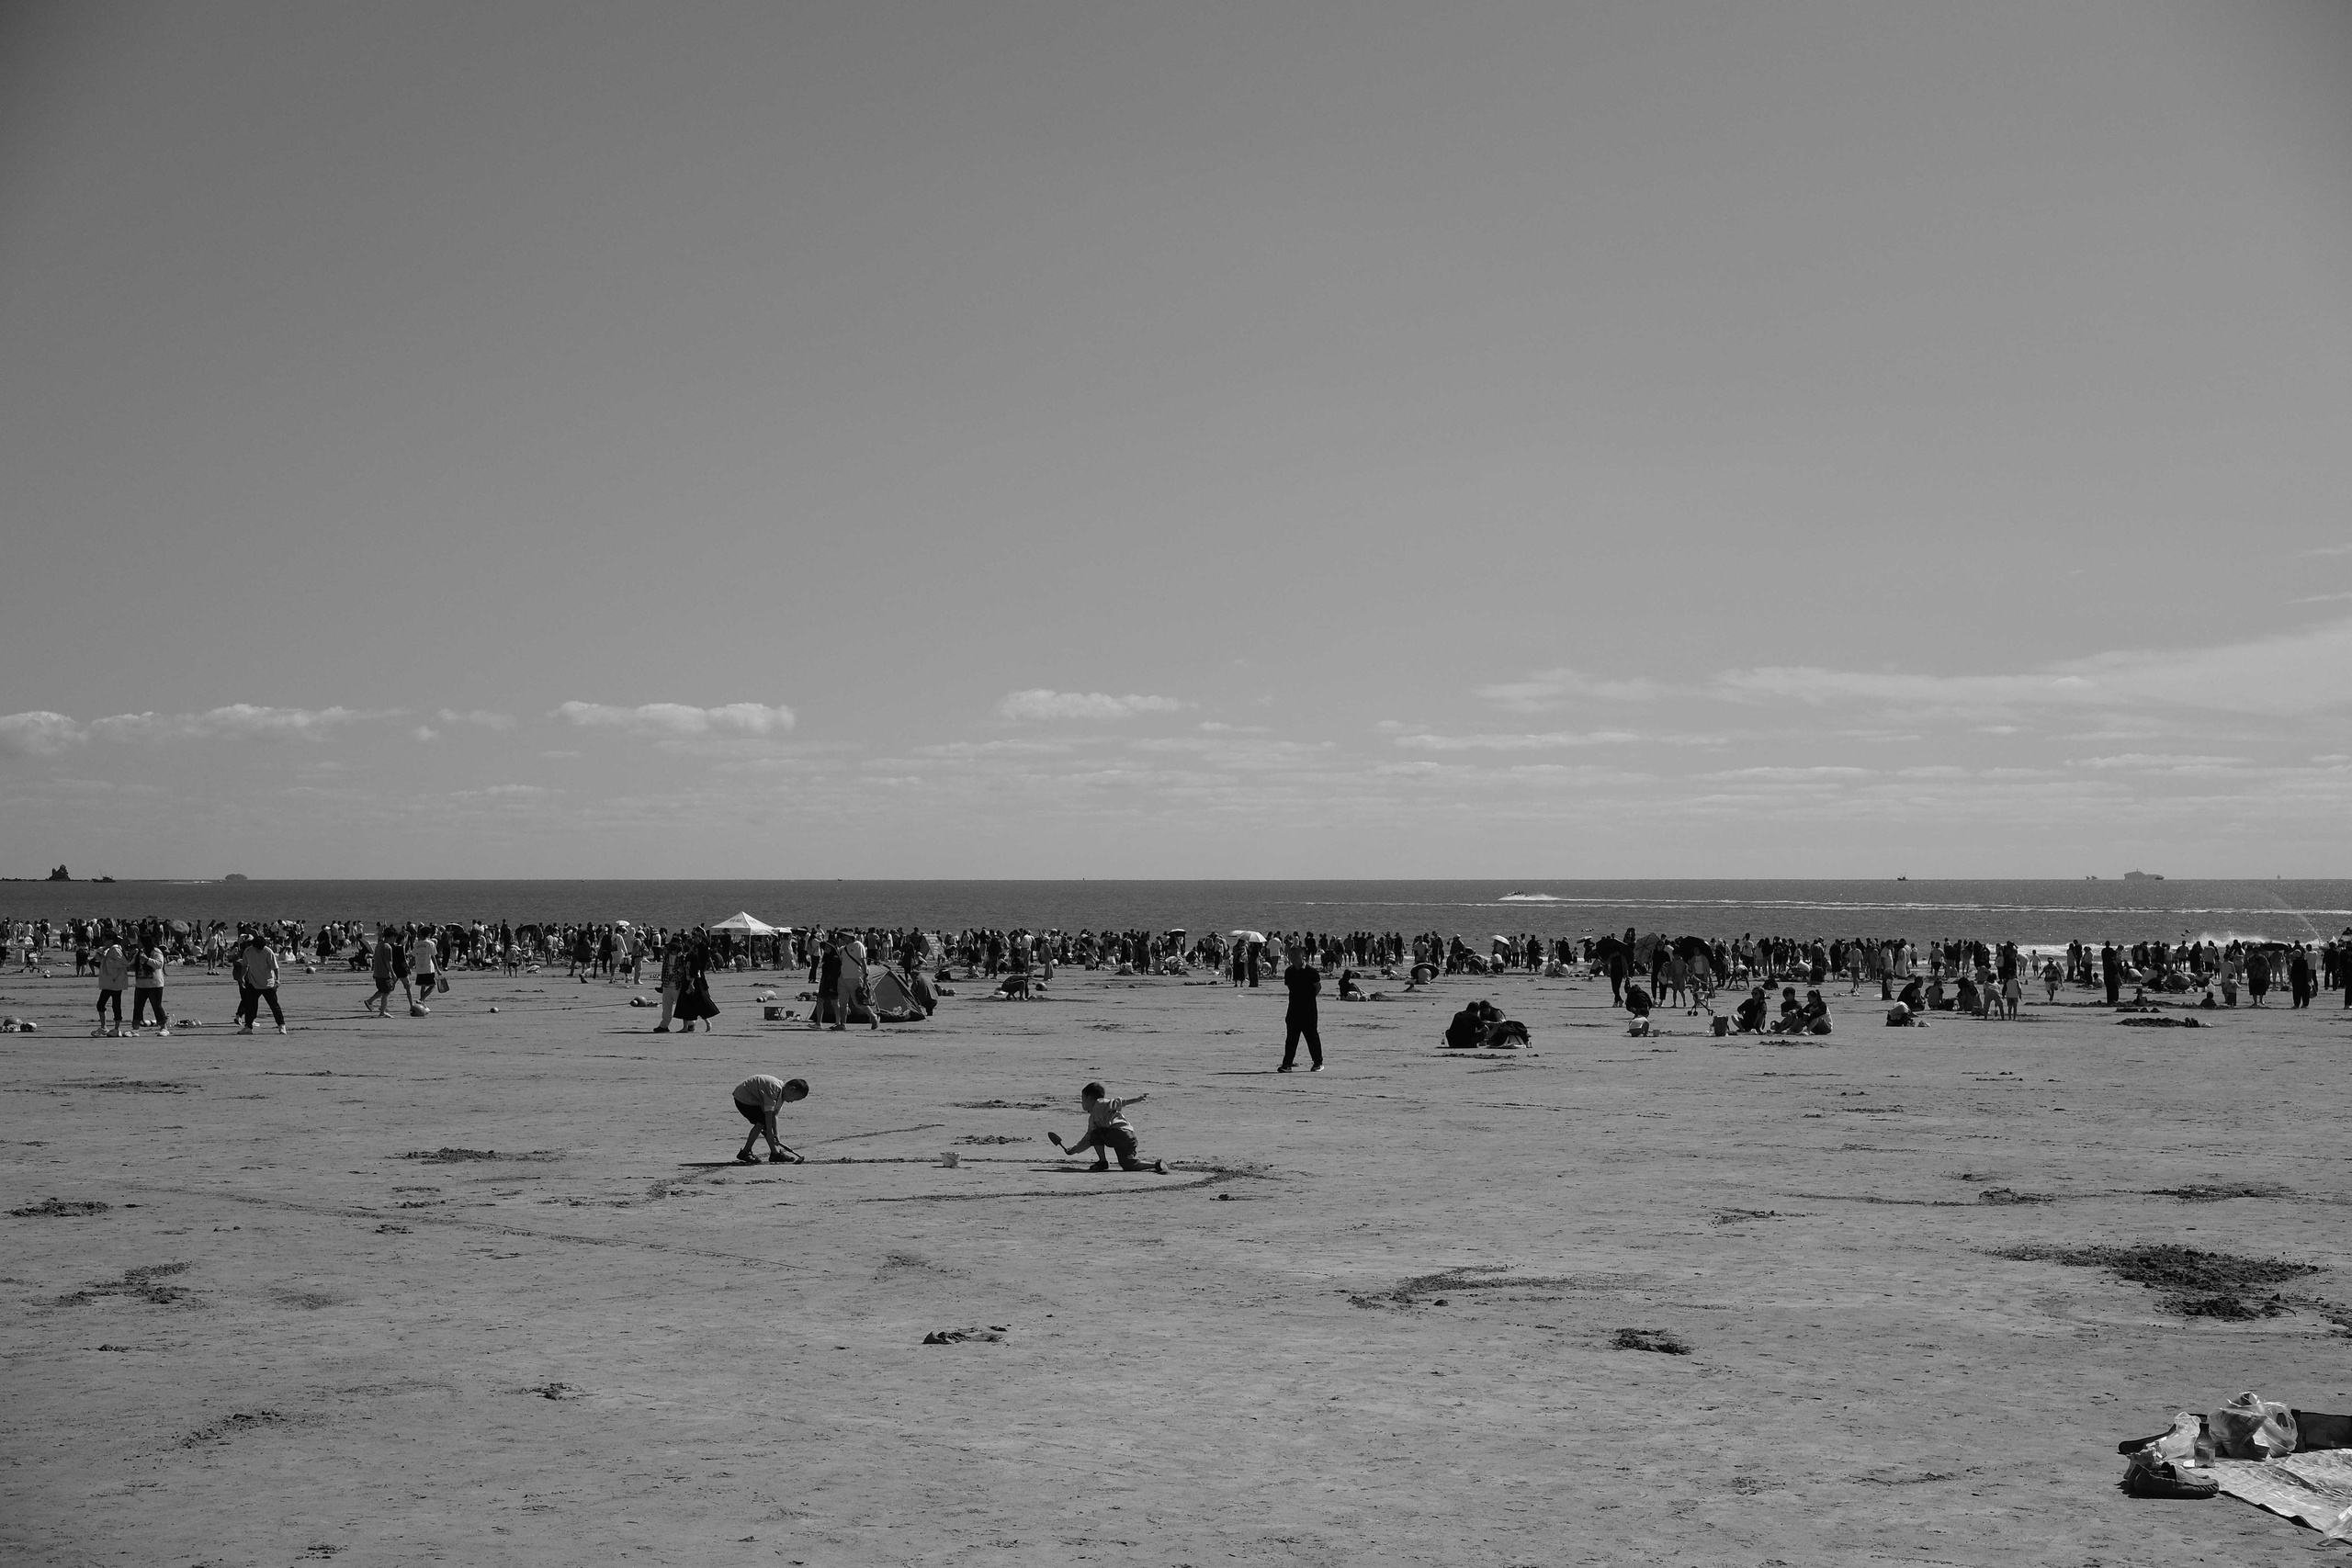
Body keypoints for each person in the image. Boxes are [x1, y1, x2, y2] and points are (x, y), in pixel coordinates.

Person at [1047, 1082, 1166, 1173]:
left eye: (1082, 1099)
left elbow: (1117, 1102)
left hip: (1118, 1133)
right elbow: (1087, 1140)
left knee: (1095, 1133)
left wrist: (1136, 1100)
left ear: (1089, 1098)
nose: (1081, 1103)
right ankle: (1156, 1165)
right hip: (1129, 1136)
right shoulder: (1093, 1118)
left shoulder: (1100, 1103)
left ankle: (1102, 1162)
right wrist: (1073, 1150)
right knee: (1127, 1164)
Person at [730, 1074, 808, 1164]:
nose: (791, 1102)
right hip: (744, 1098)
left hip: (754, 1100)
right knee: (762, 1121)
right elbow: (768, 1113)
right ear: (792, 1089)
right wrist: (770, 1133)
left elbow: (774, 1115)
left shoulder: (781, 1096)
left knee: (766, 1124)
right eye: (794, 1098)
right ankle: (745, 1152)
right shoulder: (774, 1088)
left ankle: (775, 1154)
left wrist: (775, 1134)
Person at [1279, 953, 1323, 1072]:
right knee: (1291, 1038)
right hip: (1293, 1008)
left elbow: (1318, 987)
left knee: (1311, 1036)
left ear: (1302, 957)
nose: (1293, 959)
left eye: (1295, 957)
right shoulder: (1289, 971)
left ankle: (1318, 1062)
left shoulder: (1311, 971)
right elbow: (1290, 986)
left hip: (1309, 1009)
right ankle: (1287, 1064)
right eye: (1291, 957)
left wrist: (1308, 999)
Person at [235, 931, 286, 1034]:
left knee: (274, 1006)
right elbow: (245, 966)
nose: (259, 950)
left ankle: (281, 1025)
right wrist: (242, 978)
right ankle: (248, 1027)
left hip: (268, 983)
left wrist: (278, 980)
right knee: (250, 1006)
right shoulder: (248, 952)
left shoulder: (268, 952)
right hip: (253, 983)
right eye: (258, 948)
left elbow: (275, 968)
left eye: (261, 948)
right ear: (253, 946)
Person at [128, 934, 169, 1036]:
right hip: (141, 984)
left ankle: (164, 1027)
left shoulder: (156, 951)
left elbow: (159, 964)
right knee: (138, 1007)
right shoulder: (139, 952)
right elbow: (132, 965)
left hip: (155, 984)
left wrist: (147, 960)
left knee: (156, 1006)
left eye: (139, 941)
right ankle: (135, 1029)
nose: (138, 943)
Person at [92, 937, 128, 1037]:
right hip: (108, 982)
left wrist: (107, 959)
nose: (104, 941)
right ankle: (103, 1027)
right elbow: (99, 960)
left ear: (111, 940)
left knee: (116, 1005)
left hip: (115, 982)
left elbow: (124, 963)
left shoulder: (116, 949)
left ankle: (117, 1028)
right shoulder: (108, 949)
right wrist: (100, 954)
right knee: (101, 1004)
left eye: (106, 939)